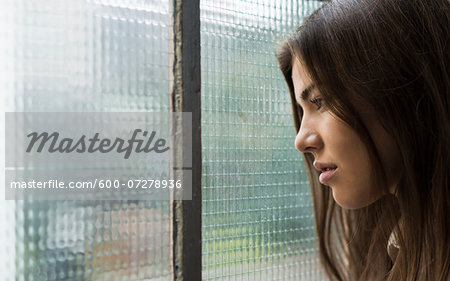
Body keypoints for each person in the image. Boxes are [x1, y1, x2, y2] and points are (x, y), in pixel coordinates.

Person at [276, 0, 449, 280]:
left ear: (399, 89)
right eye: (302, 109)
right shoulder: (406, 245)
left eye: (319, 101)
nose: (301, 140)